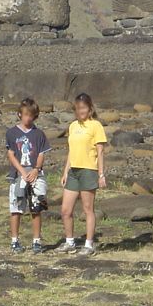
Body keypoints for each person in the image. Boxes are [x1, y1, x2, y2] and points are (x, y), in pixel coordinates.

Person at [59, 92, 108, 256]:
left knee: (88, 209)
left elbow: (100, 151)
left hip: (89, 170)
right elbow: (71, 151)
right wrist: (65, 171)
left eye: (83, 108)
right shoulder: (73, 126)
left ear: (90, 108)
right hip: (73, 171)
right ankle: (69, 241)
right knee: (66, 210)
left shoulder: (95, 126)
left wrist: (101, 174)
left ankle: (89, 244)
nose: (81, 111)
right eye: (78, 108)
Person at [6, 97, 51, 253]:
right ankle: (14, 240)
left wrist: (36, 169)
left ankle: (36, 240)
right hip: (18, 174)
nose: (28, 118)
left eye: (31, 115)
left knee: (36, 208)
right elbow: (11, 154)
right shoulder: (11, 133)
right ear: (20, 114)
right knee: (16, 208)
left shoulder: (39, 134)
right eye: (25, 114)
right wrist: (22, 171)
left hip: (35, 173)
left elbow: (41, 153)